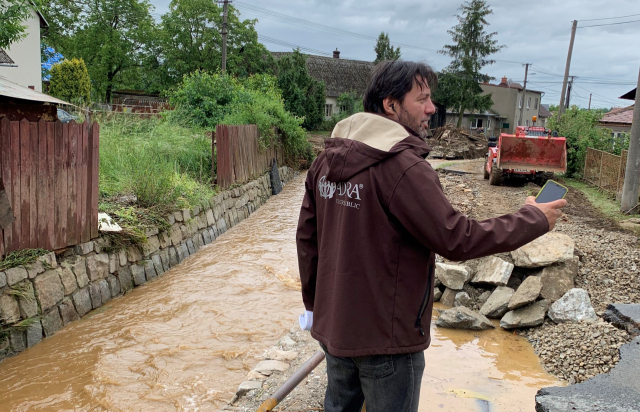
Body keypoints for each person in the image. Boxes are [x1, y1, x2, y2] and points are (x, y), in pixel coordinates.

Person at [295, 60, 567, 412]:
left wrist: (315, 308)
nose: (431, 108)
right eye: (421, 99)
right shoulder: (404, 168)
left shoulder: (325, 161)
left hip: (335, 330)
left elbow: (307, 241)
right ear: (390, 105)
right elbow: (458, 238)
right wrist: (533, 219)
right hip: (388, 341)